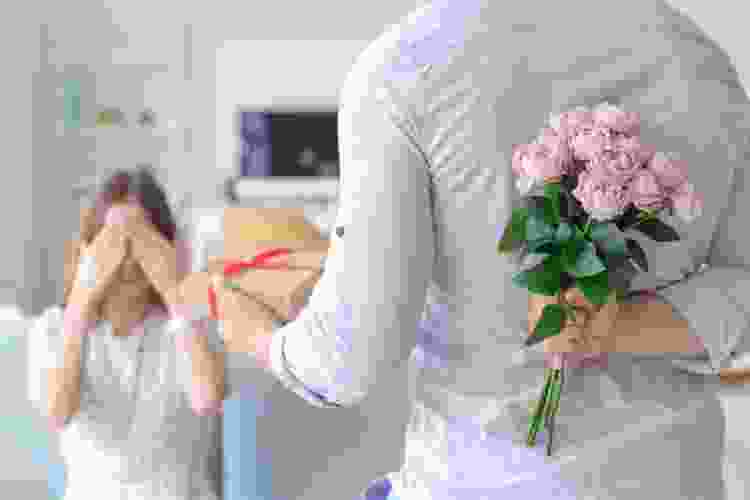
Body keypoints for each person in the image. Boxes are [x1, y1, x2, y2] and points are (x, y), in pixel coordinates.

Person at [211, 0, 750, 498]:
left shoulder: (405, 69)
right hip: (676, 478)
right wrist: (621, 324)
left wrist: (257, 337)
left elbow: (348, 361)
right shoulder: (700, 64)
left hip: (482, 478)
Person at [27, 167, 230, 499]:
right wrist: (83, 297)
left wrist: (172, 283)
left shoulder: (194, 324)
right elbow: (57, 412)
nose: (130, 260)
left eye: (143, 242)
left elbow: (207, 399)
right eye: (116, 242)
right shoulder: (53, 329)